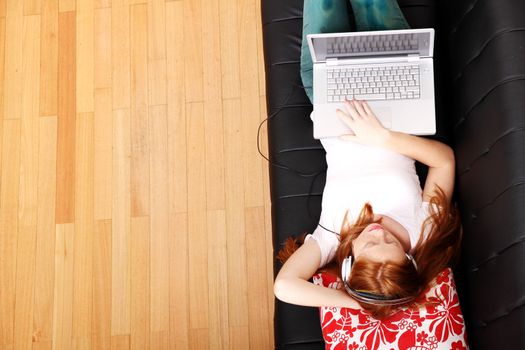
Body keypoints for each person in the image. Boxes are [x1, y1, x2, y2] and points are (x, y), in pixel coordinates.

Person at [274, 98, 463, 319]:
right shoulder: (423, 231)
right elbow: (444, 161)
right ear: (408, 259)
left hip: (335, 108)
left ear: (348, 266)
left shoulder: (332, 237)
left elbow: (284, 287)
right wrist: (384, 138)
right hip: (395, 111)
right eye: (392, 242)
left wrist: (357, 303)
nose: (380, 233)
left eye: (371, 244)